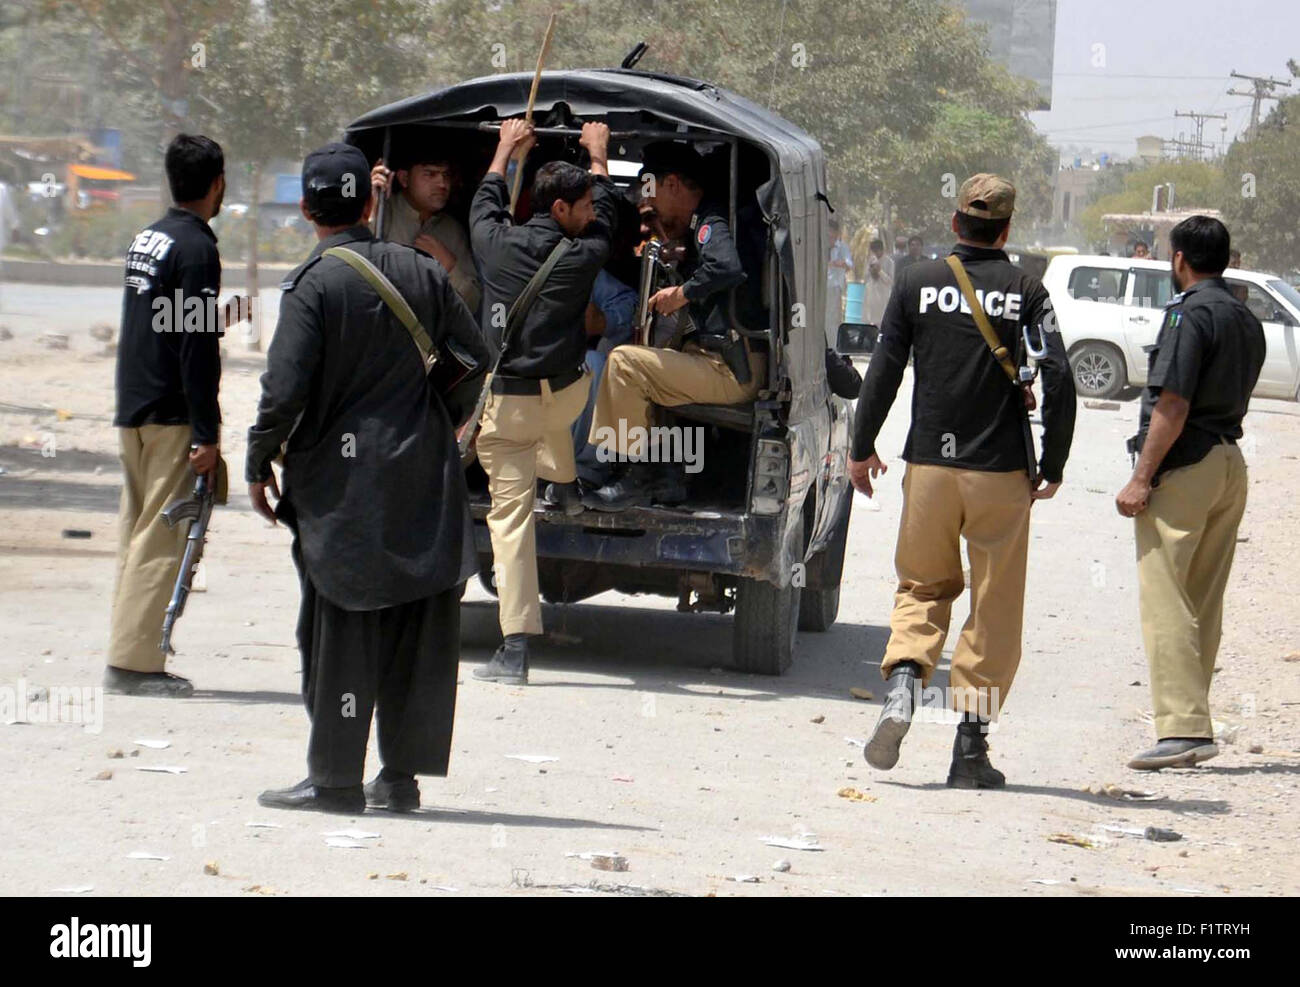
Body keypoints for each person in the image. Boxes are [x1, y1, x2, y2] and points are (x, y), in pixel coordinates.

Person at [247, 142, 488, 813]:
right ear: (368, 202)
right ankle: (400, 779)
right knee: (416, 622)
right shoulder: (421, 272)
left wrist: (258, 457)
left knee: (344, 623)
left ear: (305, 208)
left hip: (342, 484)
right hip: (424, 472)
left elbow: (284, 389)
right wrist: (431, 408)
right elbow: (476, 355)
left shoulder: (313, 284)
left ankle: (334, 780)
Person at [849, 173, 1076, 788]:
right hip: (1000, 470)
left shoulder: (916, 281)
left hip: (928, 467)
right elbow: (1058, 372)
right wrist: (1053, 463)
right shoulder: (1028, 288)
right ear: (1005, 230)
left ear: (956, 224)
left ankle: (903, 686)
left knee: (922, 586)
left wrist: (860, 447)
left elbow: (884, 367)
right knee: (994, 604)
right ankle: (969, 749)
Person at [469, 119, 618, 686]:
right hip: (565, 399)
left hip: (506, 409)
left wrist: (507, 146)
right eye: (579, 206)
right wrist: (598, 152)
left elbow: (486, 196)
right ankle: (567, 481)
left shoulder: (491, 242)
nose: (588, 213)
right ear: (560, 211)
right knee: (566, 404)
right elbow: (607, 212)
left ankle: (515, 648)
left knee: (510, 523)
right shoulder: (585, 255)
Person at [1115, 216, 1265, 771]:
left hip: (1186, 465)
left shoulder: (1188, 313)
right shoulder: (1243, 315)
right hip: (1228, 461)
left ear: (1179, 260)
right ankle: (1192, 725)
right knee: (1203, 597)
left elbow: (1173, 405)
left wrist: (1140, 477)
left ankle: (1181, 728)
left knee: (1166, 596)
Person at [106, 134, 247, 698]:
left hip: (134, 405)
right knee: (162, 536)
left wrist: (215, 319)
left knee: (136, 532)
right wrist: (207, 434)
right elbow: (194, 345)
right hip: (169, 413)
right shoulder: (196, 248)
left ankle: (128, 644)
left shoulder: (150, 237)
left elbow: (167, 323)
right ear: (216, 184)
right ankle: (135, 664)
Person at [584, 141, 766, 511]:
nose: (650, 212)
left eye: (653, 196)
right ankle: (665, 478)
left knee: (624, 363)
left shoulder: (710, 221)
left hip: (731, 368)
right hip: (723, 361)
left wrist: (681, 293)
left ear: (672, 185)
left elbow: (727, 268)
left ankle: (631, 477)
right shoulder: (706, 224)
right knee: (654, 360)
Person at [369, 152, 481, 311]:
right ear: (404, 179)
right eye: (430, 174)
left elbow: (474, 303)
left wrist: (449, 267)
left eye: (446, 175)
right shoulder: (381, 213)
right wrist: (370, 207)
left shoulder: (452, 230)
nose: (442, 184)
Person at [826, 216, 853, 347]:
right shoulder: (820, 246)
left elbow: (849, 265)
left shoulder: (842, 247)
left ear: (836, 233)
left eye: (831, 231)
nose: (829, 234)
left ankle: (833, 347)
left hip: (834, 287)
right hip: (820, 287)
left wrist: (837, 263)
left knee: (832, 320)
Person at [863, 238, 893, 328]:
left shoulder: (889, 262)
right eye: (874, 251)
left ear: (882, 250)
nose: (876, 253)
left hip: (883, 295)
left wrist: (880, 271)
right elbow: (865, 277)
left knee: (882, 320)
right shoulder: (870, 261)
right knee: (869, 320)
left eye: (877, 250)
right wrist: (871, 271)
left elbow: (890, 281)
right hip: (871, 295)